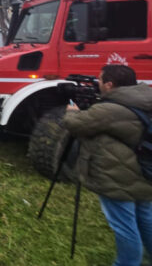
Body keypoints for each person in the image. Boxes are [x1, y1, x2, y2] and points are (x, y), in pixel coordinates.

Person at [63, 64, 152, 266]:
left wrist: (72, 112)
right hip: (145, 169)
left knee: (124, 225)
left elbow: (77, 125)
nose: (98, 84)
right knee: (145, 217)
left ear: (110, 85)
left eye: (100, 80)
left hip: (118, 175)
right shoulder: (145, 99)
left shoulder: (109, 110)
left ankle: (127, 262)